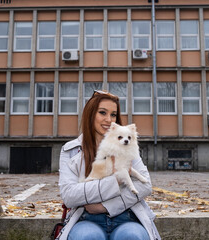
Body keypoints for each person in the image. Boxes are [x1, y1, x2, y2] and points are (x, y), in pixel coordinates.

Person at [57, 90, 160, 240]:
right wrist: (116, 180)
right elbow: (69, 196)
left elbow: (145, 185)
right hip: (85, 219)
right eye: (102, 113)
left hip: (128, 216)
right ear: (90, 114)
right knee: (87, 237)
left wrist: (104, 207)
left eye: (113, 115)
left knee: (133, 237)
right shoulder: (71, 150)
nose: (108, 119)